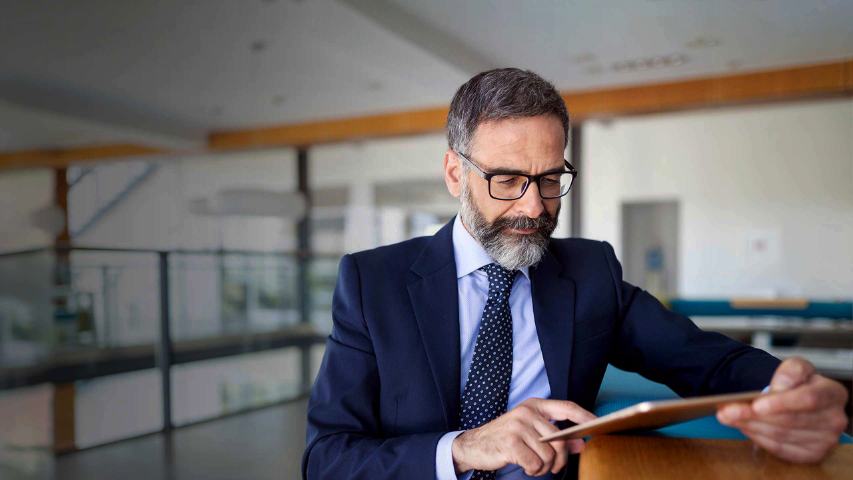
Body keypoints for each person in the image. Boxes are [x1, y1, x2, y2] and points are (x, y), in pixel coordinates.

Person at [303, 68, 848, 479]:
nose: (535, 208)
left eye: (548, 179)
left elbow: (705, 360)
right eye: (507, 180)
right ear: (454, 173)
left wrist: (790, 390)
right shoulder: (373, 283)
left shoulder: (589, 273)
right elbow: (326, 458)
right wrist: (465, 447)